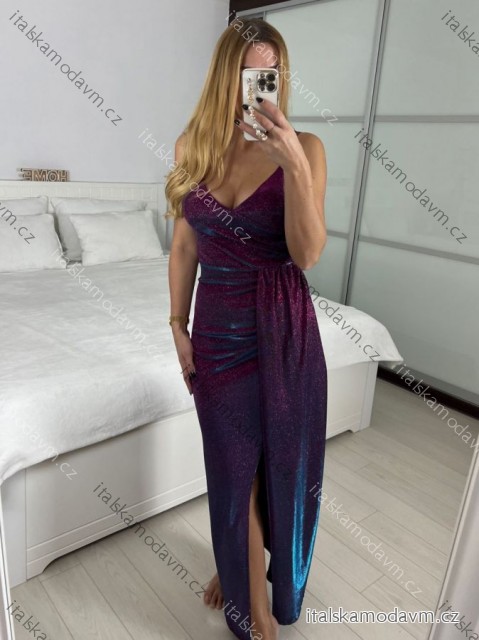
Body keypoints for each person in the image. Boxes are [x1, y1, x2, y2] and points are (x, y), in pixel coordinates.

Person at [166, 16, 327, 640]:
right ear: (225, 77)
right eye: (250, 72)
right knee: (233, 467)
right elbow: (185, 247)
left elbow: (307, 255)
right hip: (217, 328)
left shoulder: (305, 147)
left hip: (284, 328)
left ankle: (249, 575)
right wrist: (176, 323)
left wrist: (294, 167)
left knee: (277, 466)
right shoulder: (193, 147)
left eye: (273, 72)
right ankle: (249, 598)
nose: (263, 84)